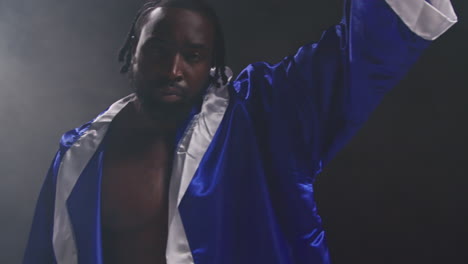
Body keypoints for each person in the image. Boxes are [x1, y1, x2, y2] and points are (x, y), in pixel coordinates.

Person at [23, 0, 457, 263]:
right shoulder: (78, 157)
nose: (174, 69)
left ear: (210, 65)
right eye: (159, 49)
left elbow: (351, 58)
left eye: (193, 55)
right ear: (131, 50)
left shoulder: (261, 118)